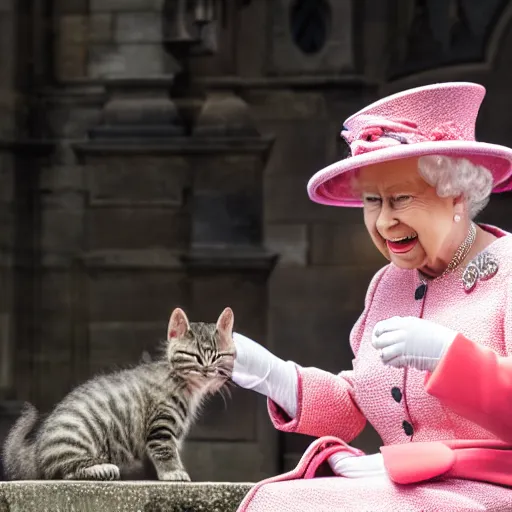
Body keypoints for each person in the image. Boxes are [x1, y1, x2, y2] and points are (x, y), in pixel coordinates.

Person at [231, 82, 512, 511]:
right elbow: (357, 405)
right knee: (278, 500)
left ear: (456, 195)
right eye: (371, 201)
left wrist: (449, 357)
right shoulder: (388, 284)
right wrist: (276, 377)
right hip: (403, 488)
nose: (383, 222)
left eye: (399, 199)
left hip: (487, 493)